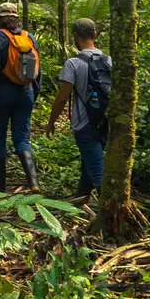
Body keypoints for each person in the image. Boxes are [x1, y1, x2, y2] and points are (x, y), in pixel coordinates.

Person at [44, 18, 112, 198]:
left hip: (84, 122)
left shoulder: (73, 63)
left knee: (97, 165)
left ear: (75, 36)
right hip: (104, 119)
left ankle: (107, 209)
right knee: (89, 157)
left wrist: (51, 122)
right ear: (95, 33)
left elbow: (62, 98)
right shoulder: (108, 60)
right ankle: (82, 194)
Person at [0, 3, 40, 192]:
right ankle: (33, 183)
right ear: (16, 18)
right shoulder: (29, 37)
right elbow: (38, 71)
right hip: (26, 92)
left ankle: (0, 188)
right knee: (23, 138)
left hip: (3, 93)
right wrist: (34, 94)